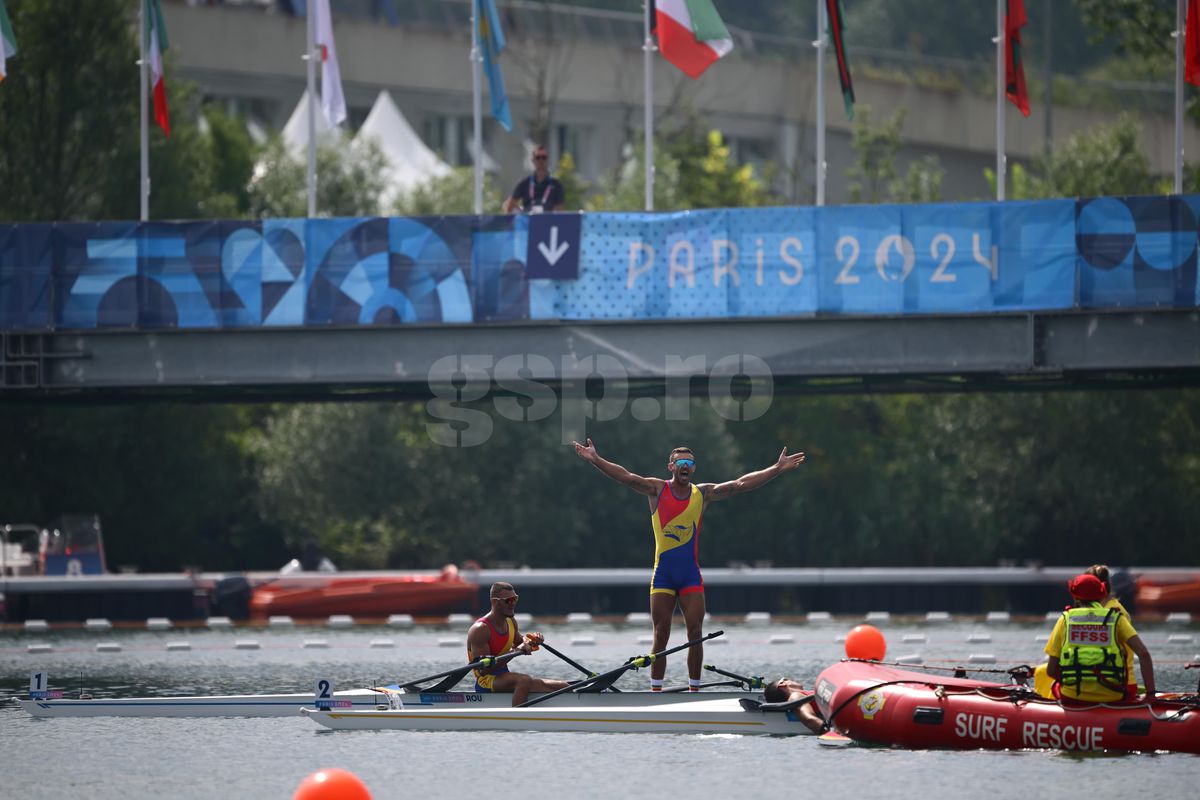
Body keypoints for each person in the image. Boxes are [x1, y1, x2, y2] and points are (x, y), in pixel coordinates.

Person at [572, 439, 805, 691]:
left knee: (695, 634)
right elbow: (626, 477)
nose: (686, 466)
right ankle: (656, 691)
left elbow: (740, 484)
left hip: (690, 576)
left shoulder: (702, 493)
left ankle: (694, 690)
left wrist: (777, 468)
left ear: (693, 468)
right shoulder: (657, 489)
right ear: (671, 466)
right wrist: (596, 459)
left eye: (690, 463)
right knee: (661, 634)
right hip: (663, 575)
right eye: (681, 462)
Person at [1044, 573, 1155, 703]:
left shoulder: (1065, 619)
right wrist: (1150, 694)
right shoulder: (1115, 618)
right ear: (1102, 594)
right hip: (1112, 695)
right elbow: (1143, 653)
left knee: (1054, 687)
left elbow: (1051, 671)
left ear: (1074, 596)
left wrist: (1074, 680)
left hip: (1072, 695)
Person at [467, 581, 571, 706]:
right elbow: (483, 670)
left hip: (504, 676)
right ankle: (518, 715)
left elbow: (520, 642)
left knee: (563, 686)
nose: (513, 603)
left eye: (515, 599)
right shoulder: (480, 629)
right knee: (523, 680)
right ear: (495, 602)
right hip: (486, 681)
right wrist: (516, 650)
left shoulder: (511, 622)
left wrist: (532, 641)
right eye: (509, 600)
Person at [502, 145, 565, 214]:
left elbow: (559, 210)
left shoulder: (556, 185)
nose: (541, 160)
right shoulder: (524, 183)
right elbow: (509, 206)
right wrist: (521, 212)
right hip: (529, 220)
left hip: (548, 220)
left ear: (548, 160)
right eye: (538, 157)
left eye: (544, 157)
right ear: (533, 160)